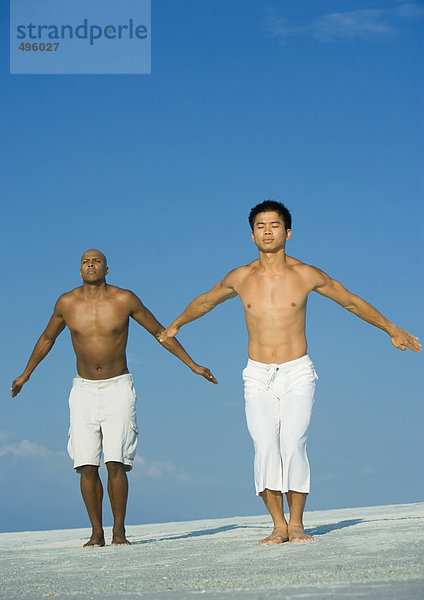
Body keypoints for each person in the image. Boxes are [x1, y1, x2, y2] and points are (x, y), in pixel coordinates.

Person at [159, 200, 421, 545]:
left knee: (294, 443)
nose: (268, 231)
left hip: (297, 371)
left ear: (288, 232)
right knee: (265, 446)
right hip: (257, 374)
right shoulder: (240, 277)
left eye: (275, 225)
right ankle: (278, 525)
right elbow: (206, 300)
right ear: (252, 234)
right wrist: (176, 323)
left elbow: (351, 301)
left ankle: (296, 524)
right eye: (261, 226)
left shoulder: (306, 275)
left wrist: (391, 328)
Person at [11, 249, 217, 548]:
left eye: (96, 261)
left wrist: (193, 364)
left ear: (107, 269)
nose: (90, 264)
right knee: (85, 464)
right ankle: (96, 532)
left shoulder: (124, 299)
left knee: (116, 461)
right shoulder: (66, 303)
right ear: (79, 269)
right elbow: (47, 338)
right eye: (85, 261)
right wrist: (25, 374)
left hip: (118, 387)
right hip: (83, 390)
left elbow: (159, 332)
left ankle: (119, 531)